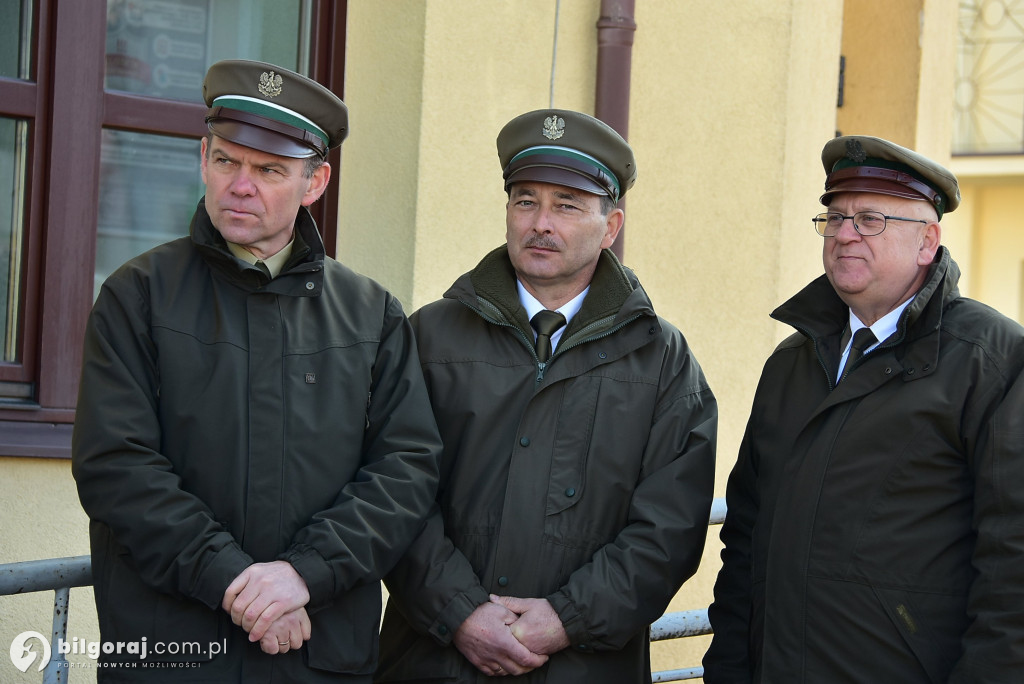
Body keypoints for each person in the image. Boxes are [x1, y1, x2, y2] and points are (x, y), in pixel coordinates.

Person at [71, 59, 442, 683]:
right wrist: (235, 583)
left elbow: (406, 472)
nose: (240, 185)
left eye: (269, 170)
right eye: (226, 161)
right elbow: (116, 466)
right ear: (203, 159)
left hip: (318, 656)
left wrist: (305, 574)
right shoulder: (138, 296)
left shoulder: (371, 314)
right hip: (174, 657)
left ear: (315, 182)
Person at [375, 109, 718, 683]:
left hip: (585, 669)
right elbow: (390, 490)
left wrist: (566, 619)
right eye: (525, 201)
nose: (540, 223)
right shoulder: (430, 336)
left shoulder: (661, 360)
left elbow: (669, 530)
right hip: (432, 662)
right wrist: (460, 613)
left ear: (610, 227)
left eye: (567, 205)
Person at [704, 135, 1024, 683]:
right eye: (835, 218)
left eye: (870, 220)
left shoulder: (990, 361)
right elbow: (745, 540)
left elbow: (1013, 562)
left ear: (927, 242)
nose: (845, 234)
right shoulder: (791, 363)